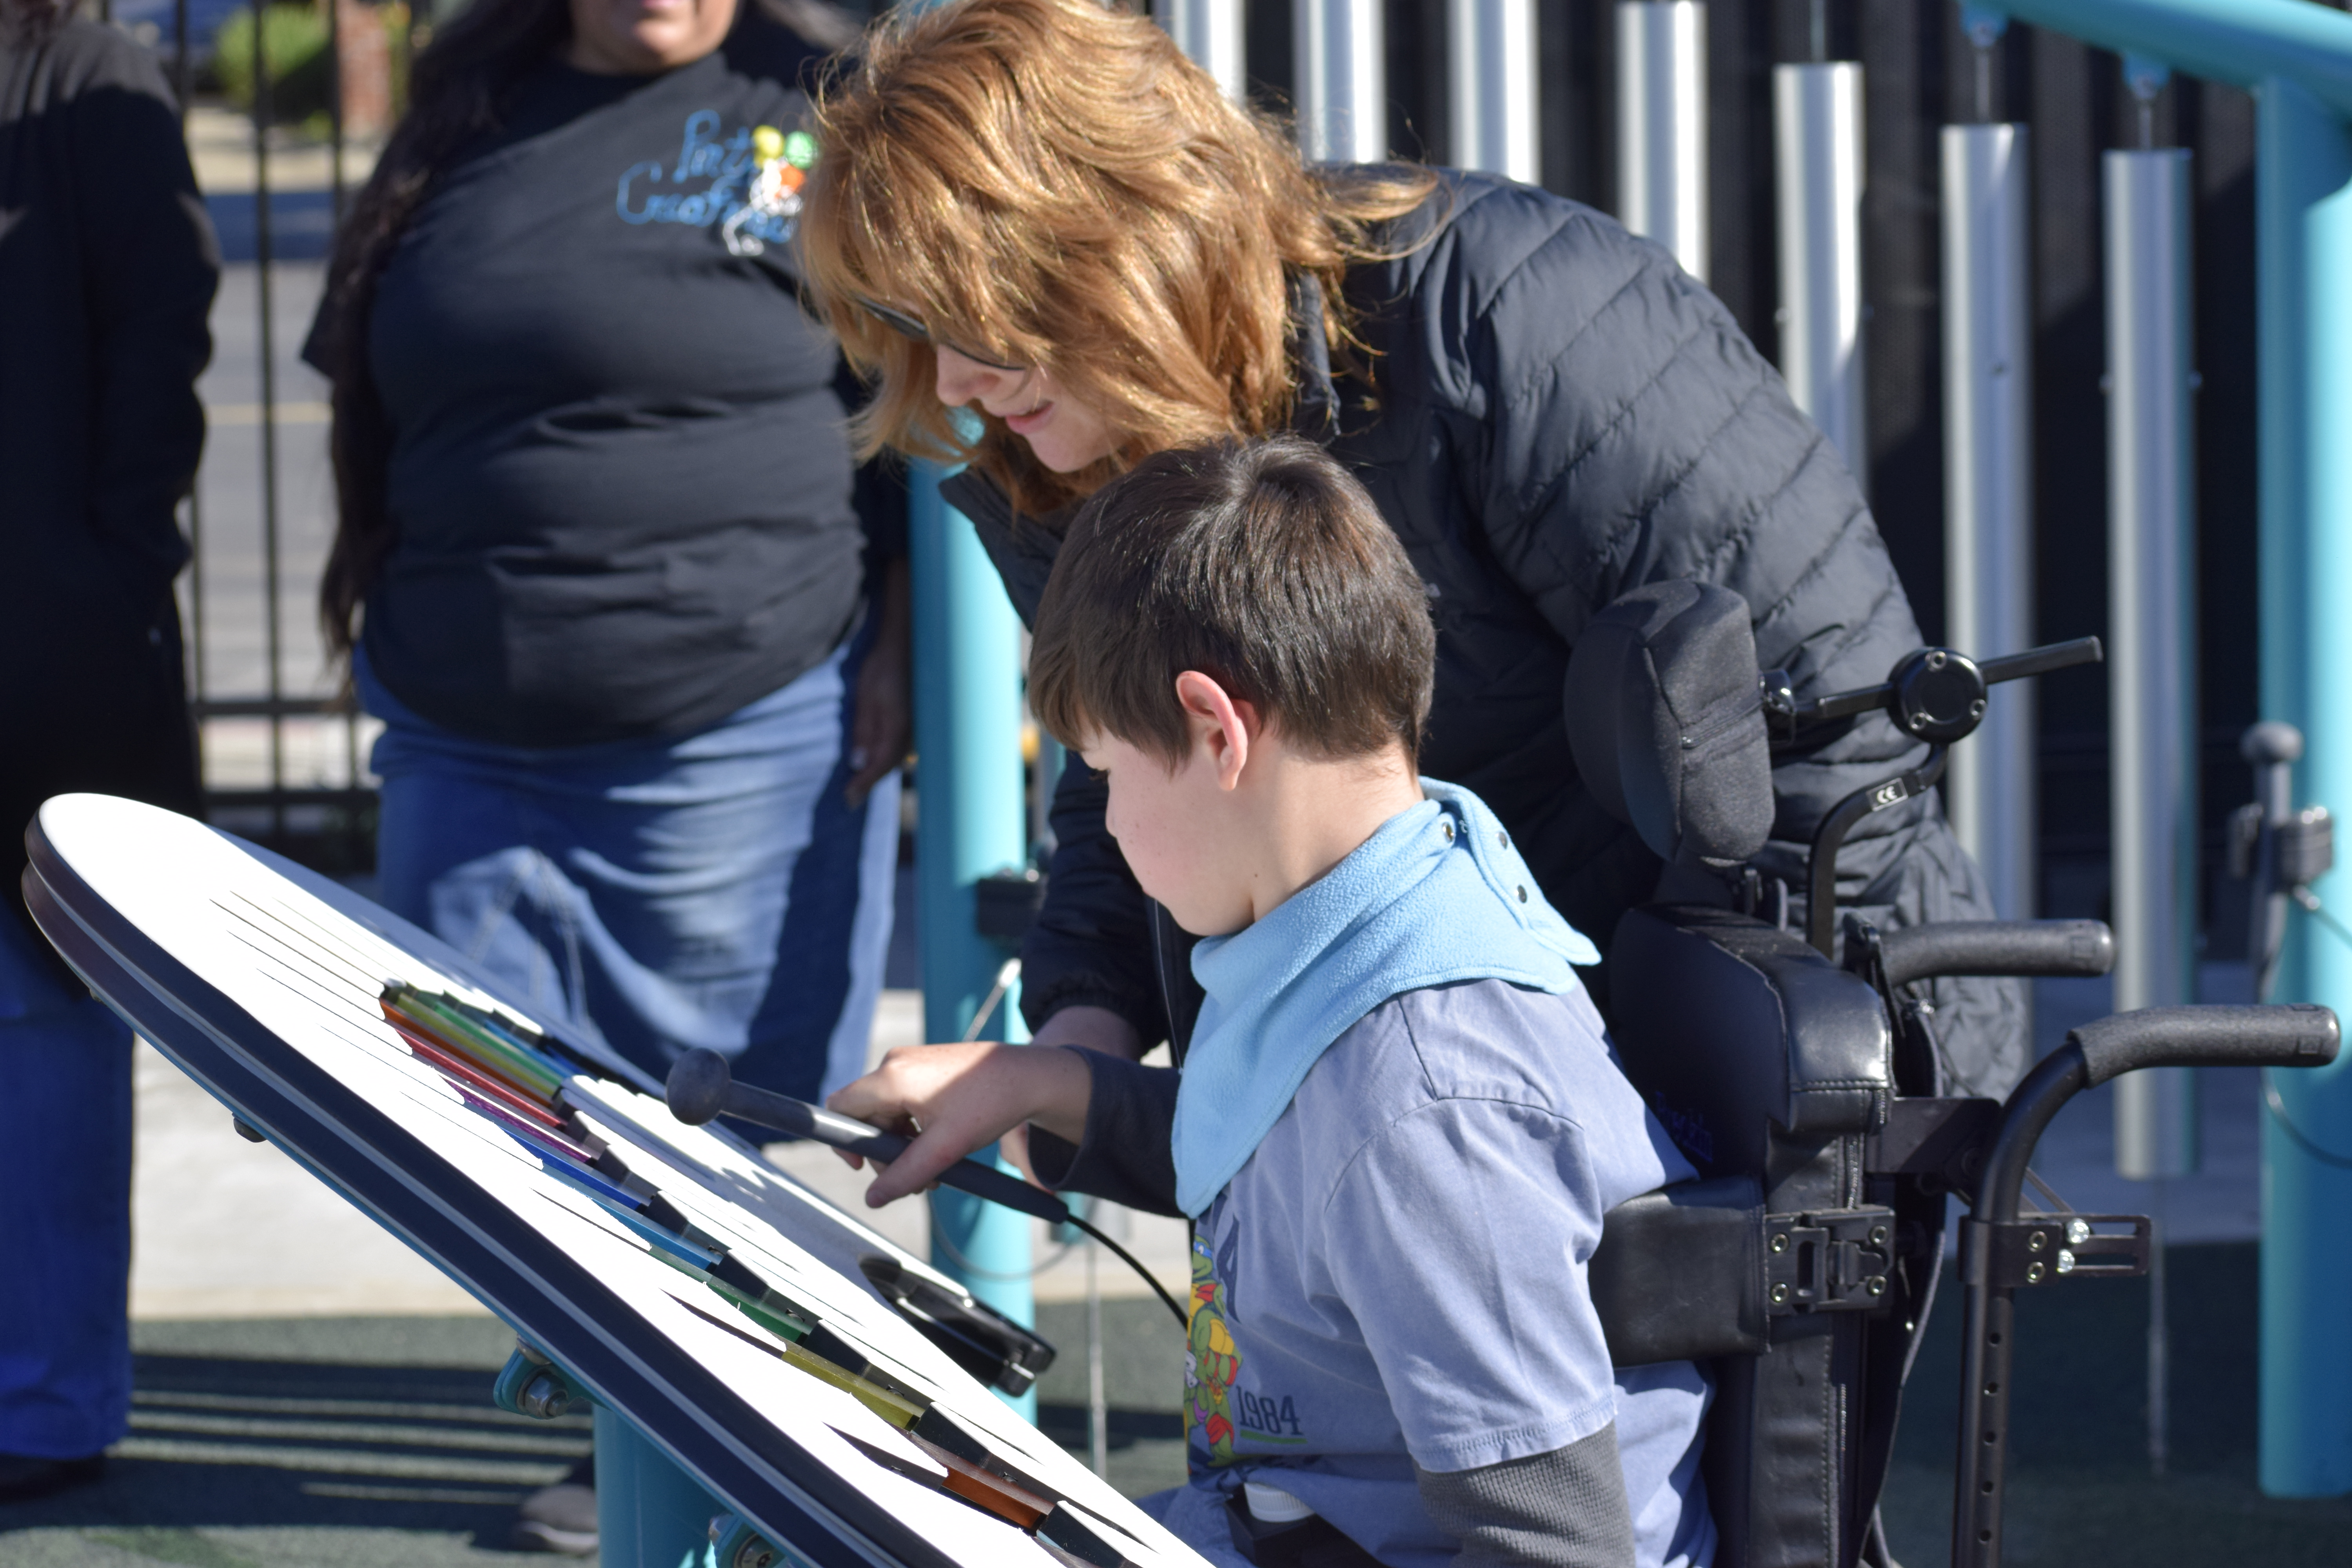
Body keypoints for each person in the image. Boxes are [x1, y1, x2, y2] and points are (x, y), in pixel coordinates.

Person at [798, 0, 2025, 1105]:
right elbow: (1141, 763)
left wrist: (1592, 1108)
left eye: (987, 324)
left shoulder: (1501, 312)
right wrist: (1082, 1040)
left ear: (1123, 243)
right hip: (1417, 1098)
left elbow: (1834, 737)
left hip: (1776, 1073)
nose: (954, 380)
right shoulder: (1058, 447)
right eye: (915, 326)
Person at [837, 438, 1713, 1568]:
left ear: (1215, 730)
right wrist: (1047, 1085)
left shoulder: (1428, 1106)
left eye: (1105, 774)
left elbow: (1553, 1548)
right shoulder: (1375, 912)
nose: (1103, 825)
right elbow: (1304, 1169)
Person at [305, 0, 904, 1547]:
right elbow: (367, 367)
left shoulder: (820, 100)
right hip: (462, 718)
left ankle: (688, 1442)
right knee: (486, 1109)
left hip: (731, 713)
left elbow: (932, 387)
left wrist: (904, 640)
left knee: (698, 1133)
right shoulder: (471, 104)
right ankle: (626, 1393)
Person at [0, 0, 217, 1503]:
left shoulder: (87, 78)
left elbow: (163, 335)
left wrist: (97, 572)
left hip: (43, 663)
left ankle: (47, 1402)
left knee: (41, 1034)